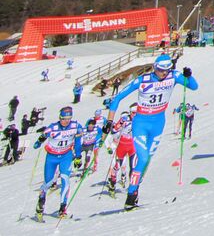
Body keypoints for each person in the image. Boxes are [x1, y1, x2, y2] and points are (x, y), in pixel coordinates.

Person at [104, 54, 197, 210]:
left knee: (146, 161)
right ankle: (131, 196)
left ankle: (135, 192)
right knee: (143, 157)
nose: (163, 74)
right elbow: (117, 98)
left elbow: (193, 87)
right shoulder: (143, 80)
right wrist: (109, 121)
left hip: (158, 124)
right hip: (141, 123)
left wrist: (189, 76)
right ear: (155, 68)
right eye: (160, 70)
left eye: (166, 71)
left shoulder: (173, 76)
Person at [33, 106, 85, 220]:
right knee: (49, 182)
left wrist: (78, 156)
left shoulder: (76, 126)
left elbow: (78, 142)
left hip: (66, 156)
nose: (66, 121)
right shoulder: (53, 128)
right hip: (52, 157)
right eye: (63, 119)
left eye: (68, 118)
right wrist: (38, 142)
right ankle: (40, 204)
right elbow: (43, 136)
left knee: (65, 179)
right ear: (60, 118)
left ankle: (62, 208)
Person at [104, 111, 136, 194]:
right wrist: (109, 148)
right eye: (133, 113)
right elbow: (112, 132)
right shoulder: (120, 127)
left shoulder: (136, 121)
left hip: (131, 146)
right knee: (117, 166)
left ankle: (131, 185)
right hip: (119, 148)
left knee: (132, 167)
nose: (134, 115)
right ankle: (112, 184)